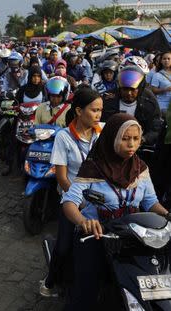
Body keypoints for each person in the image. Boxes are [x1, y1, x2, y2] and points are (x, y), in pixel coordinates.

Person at [61, 113, 170, 311]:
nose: (131, 145)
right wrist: (83, 222)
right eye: (125, 138)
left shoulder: (140, 168)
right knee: (86, 293)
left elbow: (151, 202)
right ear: (112, 138)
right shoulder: (93, 168)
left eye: (136, 139)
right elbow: (69, 202)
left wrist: (167, 215)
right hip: (98, 236)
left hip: (135, 238)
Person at [40, 87, 103, 297]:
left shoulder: (103, 132)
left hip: (100, 200)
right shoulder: (64, 137)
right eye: (94, 110)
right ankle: (49, 282)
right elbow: (61, 177)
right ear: (78, 111)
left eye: (100, 110)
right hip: (71, 200)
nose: (98, 115)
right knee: (64, 245)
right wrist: (79, 203)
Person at [102, 65, 162, 147]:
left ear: (140, 88)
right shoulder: (108, 99)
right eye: (125, 89)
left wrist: (143, 139)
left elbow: (156, 128)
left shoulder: (149, 100)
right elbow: (100, 123)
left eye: (133, 89)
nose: (129, 93)